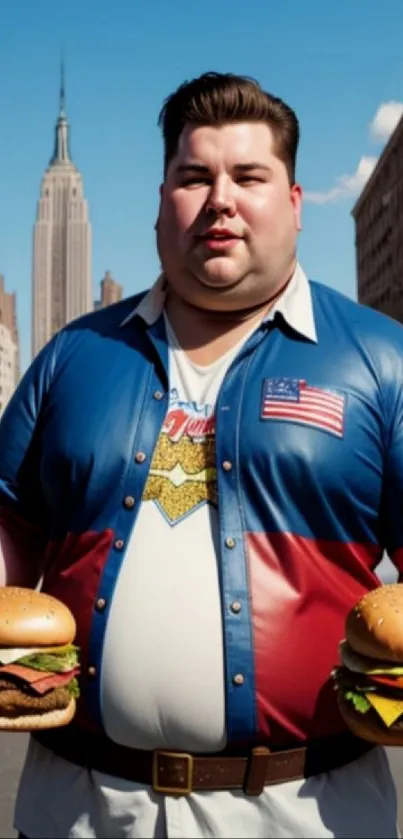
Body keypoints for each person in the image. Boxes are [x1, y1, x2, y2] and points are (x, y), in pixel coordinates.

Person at [0, 70, 402, 839]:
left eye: (248, 175)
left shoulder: (381, 360)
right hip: (79, 810)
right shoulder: (71, 356)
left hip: (306, 813)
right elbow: (9, 528)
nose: (219, 197)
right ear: (161, 201)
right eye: (193, 176)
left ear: (293, 202)